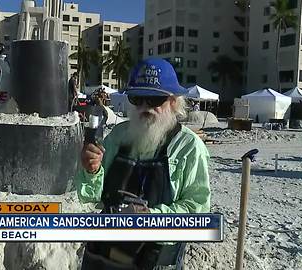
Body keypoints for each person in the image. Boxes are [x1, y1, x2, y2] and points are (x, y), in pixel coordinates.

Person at [76, 58, 211, 270]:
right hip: (104, 256)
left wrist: (149, 218)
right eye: (138, 98)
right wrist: (91, 171)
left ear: (174, 101)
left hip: (154, 259)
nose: (145, 107)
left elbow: (197, 211)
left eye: (154, 99)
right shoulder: (119, 136)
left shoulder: (188, 147)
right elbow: (91, 197)